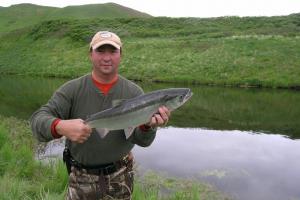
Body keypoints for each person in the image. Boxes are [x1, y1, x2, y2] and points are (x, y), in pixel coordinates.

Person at [30, 31, 170, 200]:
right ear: (90, 54)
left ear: (121, 55)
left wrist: (147, 126)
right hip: (81, 179)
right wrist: (60, 126)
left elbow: (143, 141)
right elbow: (37, 121)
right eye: (100, 51)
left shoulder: (134, 92)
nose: (106, 57)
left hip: (121, 178)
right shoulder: (72, 90)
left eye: (112, 51)